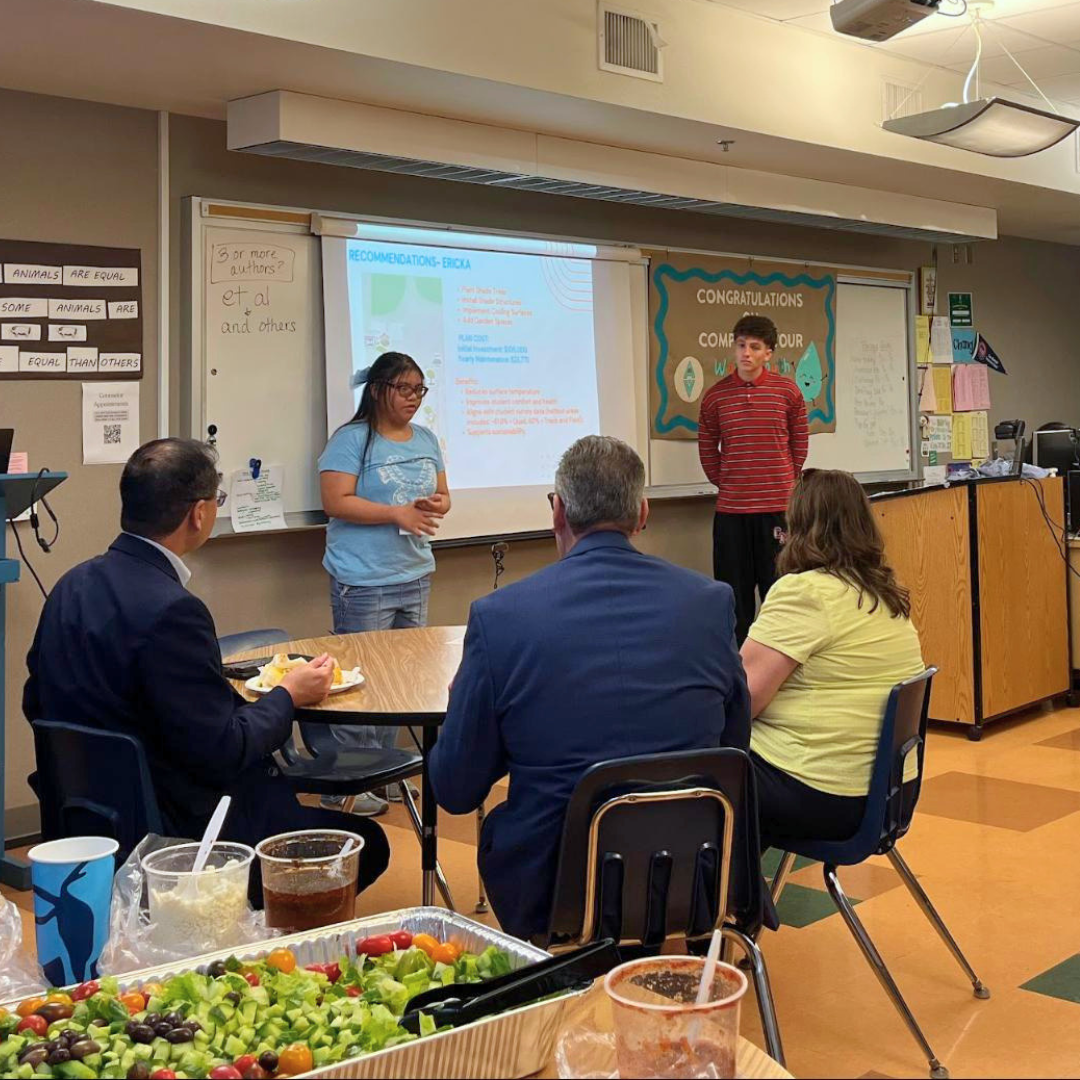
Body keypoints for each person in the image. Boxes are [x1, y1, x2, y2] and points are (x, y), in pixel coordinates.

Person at [23, 438, 390, 900]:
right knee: (368, 843)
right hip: (184, 836)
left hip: (89, 820)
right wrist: (289, 695)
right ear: (199, 513)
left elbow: (37, 701)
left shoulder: (70, 586)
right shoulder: (173, 609)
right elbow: (223, 749)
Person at [428, 435, 750, 941]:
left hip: (554, 889)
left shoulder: (500, 618)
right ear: (642, 513)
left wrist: (462, 708)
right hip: (694, 878)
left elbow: (454, 789)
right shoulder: (710, 602)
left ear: (558, 512)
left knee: (505, 825)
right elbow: (734, 746)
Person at [739, 469, 924, 853]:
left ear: (798, 526)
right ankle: (740, 886)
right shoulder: (885, 595)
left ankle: (724, 890)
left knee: (699, 771)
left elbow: (740, 700)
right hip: (888, 794)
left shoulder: (805, 592)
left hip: (824, 793)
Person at [319, 350, 450, 816]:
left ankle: (385, 770)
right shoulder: (352, 439)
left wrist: (436, 504)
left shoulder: (427, 438)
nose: (414, 398)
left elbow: (444, 495)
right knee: (360, 680)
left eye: (420, 389)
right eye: (404, 388)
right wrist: (395, 513)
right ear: (377, 390)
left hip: (414, 573)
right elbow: (335, 501)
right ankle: (346, 783)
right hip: (363, 578)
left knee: (400, 680)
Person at [697, 314, 809, 644]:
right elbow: (707, 446)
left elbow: (799, 441)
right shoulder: (715, 396)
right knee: (734, 598)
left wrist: (785, 478)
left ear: (768, 353)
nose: (746, 353)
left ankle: (781, 662)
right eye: (741, 345)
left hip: (777, 510)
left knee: (780, 593)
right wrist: (728, 481)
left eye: (755, 347)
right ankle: (738, 666)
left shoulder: (787, 392)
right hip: (732, 513)